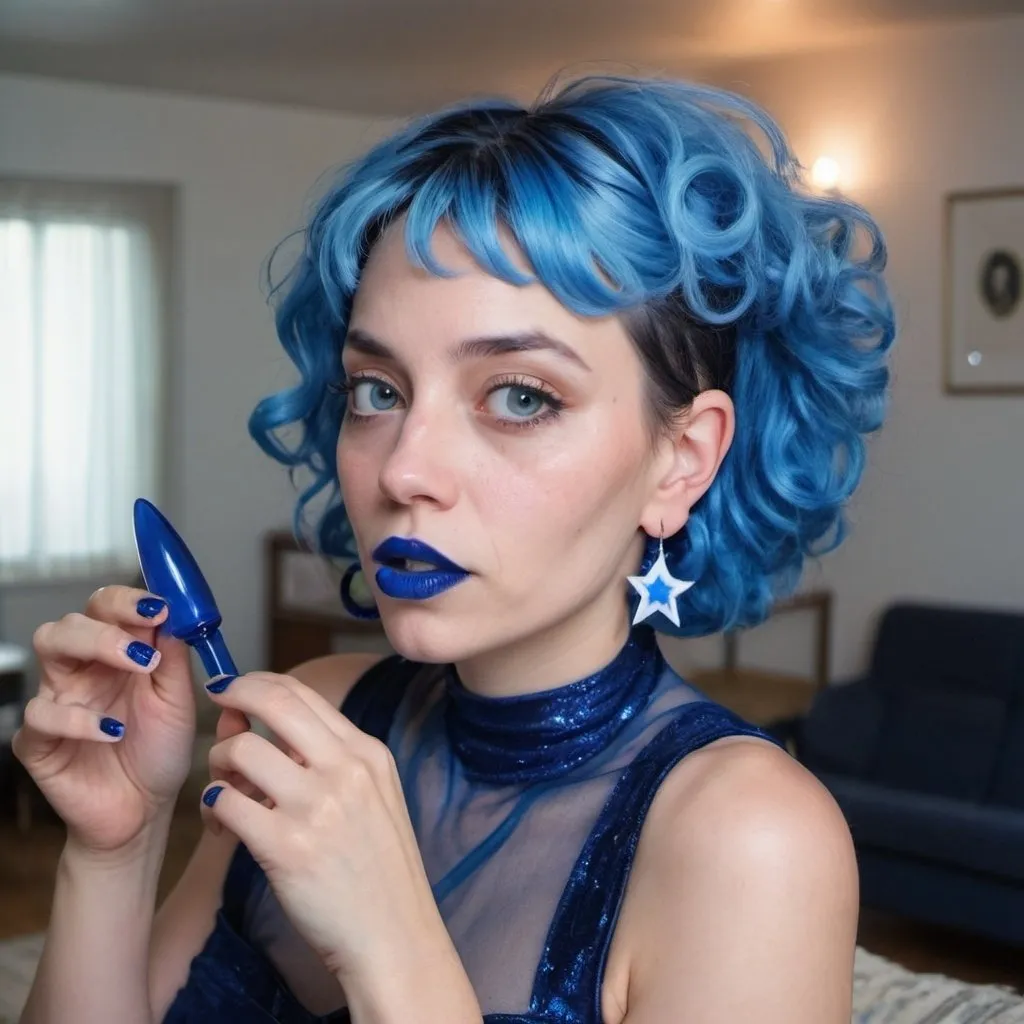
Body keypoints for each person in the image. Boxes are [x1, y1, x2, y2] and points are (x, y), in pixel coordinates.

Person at [14, 74, 894, 1023]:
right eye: (378, 391)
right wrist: (115, 851)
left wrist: (390, 949)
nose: (404, 470)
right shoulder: (319, 718)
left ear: (680, 460)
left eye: (520, 396)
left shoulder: (749, 841)